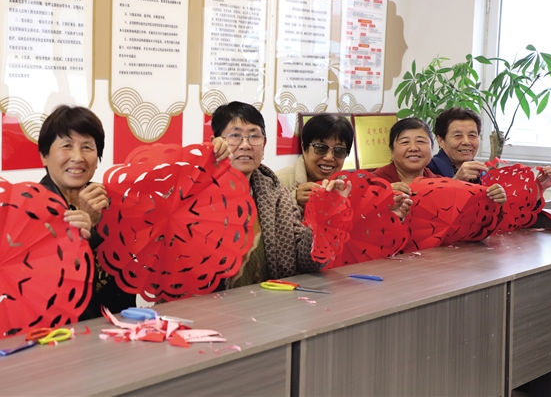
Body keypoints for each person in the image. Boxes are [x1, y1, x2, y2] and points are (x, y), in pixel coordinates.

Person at [37, 105, 230, 316]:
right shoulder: (30, 213)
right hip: (67, 331)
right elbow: (44, 287)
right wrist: (88, 230)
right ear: (44, 155)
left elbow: (176, 201)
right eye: (66, 145)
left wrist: (212, 160)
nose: (77, 157)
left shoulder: (110, 199)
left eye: (87, 147)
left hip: (123, 322)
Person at [211, 101, 343, 288]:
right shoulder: (196, 193)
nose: (245, 145)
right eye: (235, 136)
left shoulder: (278, 196)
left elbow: (307, 262)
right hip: (212, 303)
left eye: (254, 136)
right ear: (216, 142)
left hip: (269, 299)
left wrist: (326, 215)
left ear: (264, 144)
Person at [373, 117, 506, 203]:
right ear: (391, 149)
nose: (413, 148)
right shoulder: (374, 183)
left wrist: (494, 200)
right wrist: (380, 199)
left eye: (421, 141)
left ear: (432, 147)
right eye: (405, 142)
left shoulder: (438, 181)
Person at [429, 107, 551, 191]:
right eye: (458, 136)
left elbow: (508, 211)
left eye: (472, 135)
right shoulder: (428, 169)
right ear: (441, 140)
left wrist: (539, 187)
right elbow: (429, 208)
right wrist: (457, 182)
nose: (467, 142)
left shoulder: (482, 172)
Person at [276, 113, 354, 208]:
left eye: (339, 150)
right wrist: (292, 199)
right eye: (321, 148)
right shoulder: (277, 182)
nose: (329, 157)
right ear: (304, 148)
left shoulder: (349, 188)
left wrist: (342, 205)